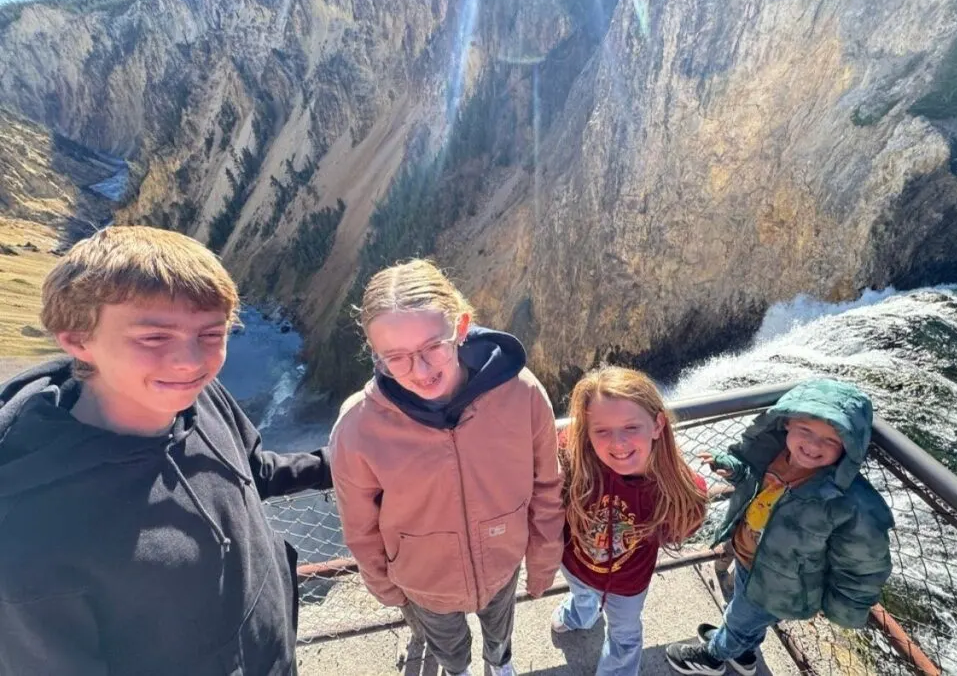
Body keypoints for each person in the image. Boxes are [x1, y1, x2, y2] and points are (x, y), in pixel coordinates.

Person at [0, 226, 332, 675]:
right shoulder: (25, 529)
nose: (190, 361)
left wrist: (336, 465)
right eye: (155, 338)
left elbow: (251, 472)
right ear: (78, 339)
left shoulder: (199, 397)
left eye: (212, 335)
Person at [329, 258, 564, 676]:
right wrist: (385, 585)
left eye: (432, 347)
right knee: (450, 650)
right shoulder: (358, 427)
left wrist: (543, 559)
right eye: (395, 357)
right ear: (374, 353)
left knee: (499, 631)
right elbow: (360, 527)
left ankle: (500, 663)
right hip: (424, 581)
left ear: (460, 327)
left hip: (501, 561)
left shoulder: (521, 393)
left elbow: (547, 484)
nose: (419, 371)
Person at [665, 379, 895, 676]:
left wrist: (842, 608)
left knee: (739, 618)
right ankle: (745, 654)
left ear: (849, 446)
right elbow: (755, 479)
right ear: (786, 424)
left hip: (783, 583)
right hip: (753, 560)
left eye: (830, 440)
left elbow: (864, 565)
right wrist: (733, 468)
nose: (813, 446)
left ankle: (712, 657)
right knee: (748, 615)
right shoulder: (774, 453)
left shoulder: (851, 502)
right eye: (806, 431)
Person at [552, 365, 707, 676]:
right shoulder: (571, 455)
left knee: (624, 635)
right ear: (586, 431)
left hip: (627, 584)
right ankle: (579, 615)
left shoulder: (676, 488)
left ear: (657, 424)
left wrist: (681, 509)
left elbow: (679, 532)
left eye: (631, 427)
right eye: (602, 431)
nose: (618, 443)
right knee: (582, 595)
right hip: (575, 564)